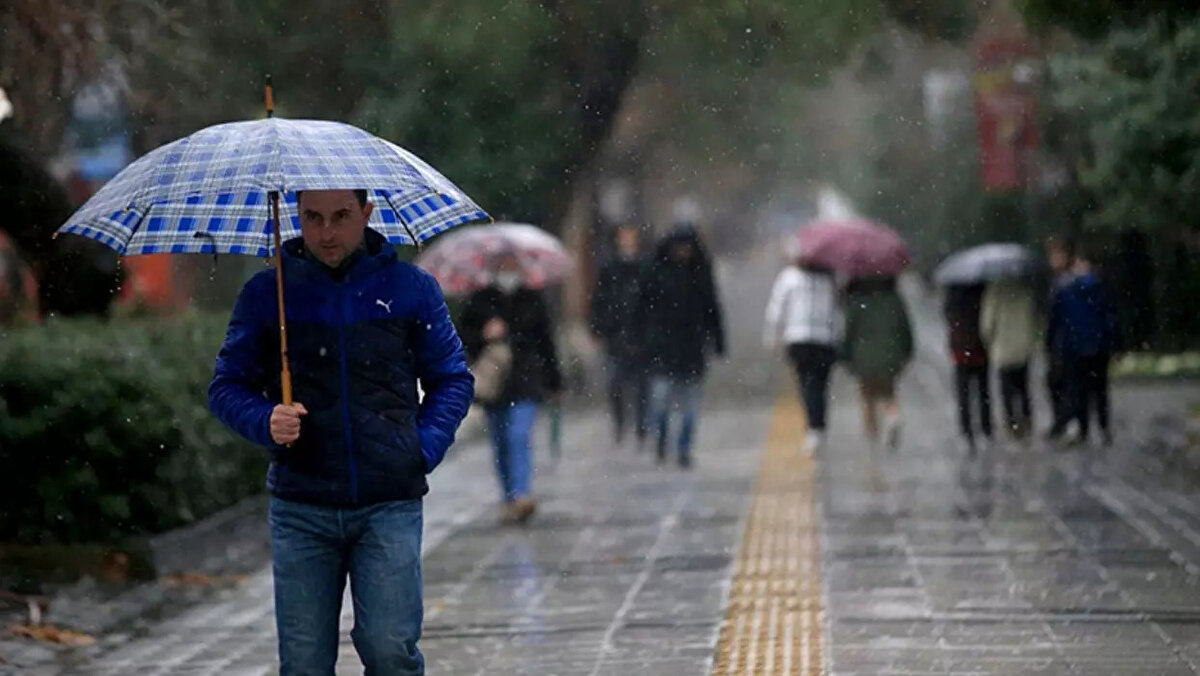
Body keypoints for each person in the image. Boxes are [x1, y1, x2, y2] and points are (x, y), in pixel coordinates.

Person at [209, 189, 474, 675]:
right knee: (305, 663)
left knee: (390, 649)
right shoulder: (269, 295)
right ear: (295, 217)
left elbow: (453, 379)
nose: (326, 232)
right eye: (312, 218)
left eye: (340, 217)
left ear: (367, 214)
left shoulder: (410, 287)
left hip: (388, 502)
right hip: (302, 505)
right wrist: (265, 419)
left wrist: (422, 447)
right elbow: (227, 387)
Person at [459, 256, 562, 523]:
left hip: (526, 379)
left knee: (519, 435)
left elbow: (545, 342)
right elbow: (462, 339)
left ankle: (521, 494)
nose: (509, 268)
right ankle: (509, 497)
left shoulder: (531, 298)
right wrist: (484, 334)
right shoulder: (479, 300)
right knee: (501, 442)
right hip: (494, 384)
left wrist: (554, 380)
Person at [636, 223, 726, 468]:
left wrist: (718, 340)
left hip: (692, 348)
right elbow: (640, 307)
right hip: (662, 348)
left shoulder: (700, 273)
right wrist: (639, 337)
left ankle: (684, 448)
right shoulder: (654, 271)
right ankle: (662, 438)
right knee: (660, 400)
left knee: (691, 404)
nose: (683, 252)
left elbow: (712, 308)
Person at [763, 256, 842, 453]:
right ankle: (818, 426)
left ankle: (814, 427)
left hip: (799, 339)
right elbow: (840, 311)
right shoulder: (831, 280)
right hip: (824, 339)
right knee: (820, 385)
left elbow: (776, 308)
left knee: (807, 383)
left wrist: (772, 335)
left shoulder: (790, 278)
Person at [1046, 246, 1121, 446]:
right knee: (1100, 390)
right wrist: (1115, 343)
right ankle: (1104, 429)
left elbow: (1055, 322)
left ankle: (1084, 429)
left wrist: (1052, 346)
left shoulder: (1065, 291)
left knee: (1081, 391)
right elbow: (1111, 318)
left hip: (1075, 348)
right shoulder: (1100, 288)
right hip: (1098, 347)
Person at [590, 225, 649, 449]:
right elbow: (599, 300)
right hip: (615, 337)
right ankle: (620, 423)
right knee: (615, 385)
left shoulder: (644, 267)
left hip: (639, 337)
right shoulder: (609, 268)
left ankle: (642, 427)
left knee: (642, 386)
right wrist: (600, 328)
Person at [842, 276, 913, 451]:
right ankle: (893, 415)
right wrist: (907, 351)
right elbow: (905, 328)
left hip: (864, 356)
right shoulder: (894, 299)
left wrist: (845, 356)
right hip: (890, 353)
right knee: (888, 392)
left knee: (867, 397)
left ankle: (872, 437)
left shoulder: (857, 301)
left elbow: (849, 332)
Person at [980, 278, 1038, 439]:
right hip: (1022, 346)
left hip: (1003, 347)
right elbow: (1032, 316)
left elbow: (987, 323)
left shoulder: (995, 292)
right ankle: (1027, 417)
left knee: (1007, 389)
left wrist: (989, 341)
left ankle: (1012, 422)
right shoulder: (1024, 290)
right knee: (1023, 386)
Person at [943, 283, 992, 451]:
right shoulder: (982, 291)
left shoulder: (952, 295)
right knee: (983, 391)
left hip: (961, 350)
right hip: (980, 348)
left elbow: (947, 316)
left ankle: (967, 430)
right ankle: (986, 428)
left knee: (963, 393)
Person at [1044, 236, 1076, 435]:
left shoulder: (1070, 283)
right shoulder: (1056, 282)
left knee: (1066, 384)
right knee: (1055, 382)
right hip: (1058, 341)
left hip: (1069, 342)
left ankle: (1066, 421)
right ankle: (1061, 421)